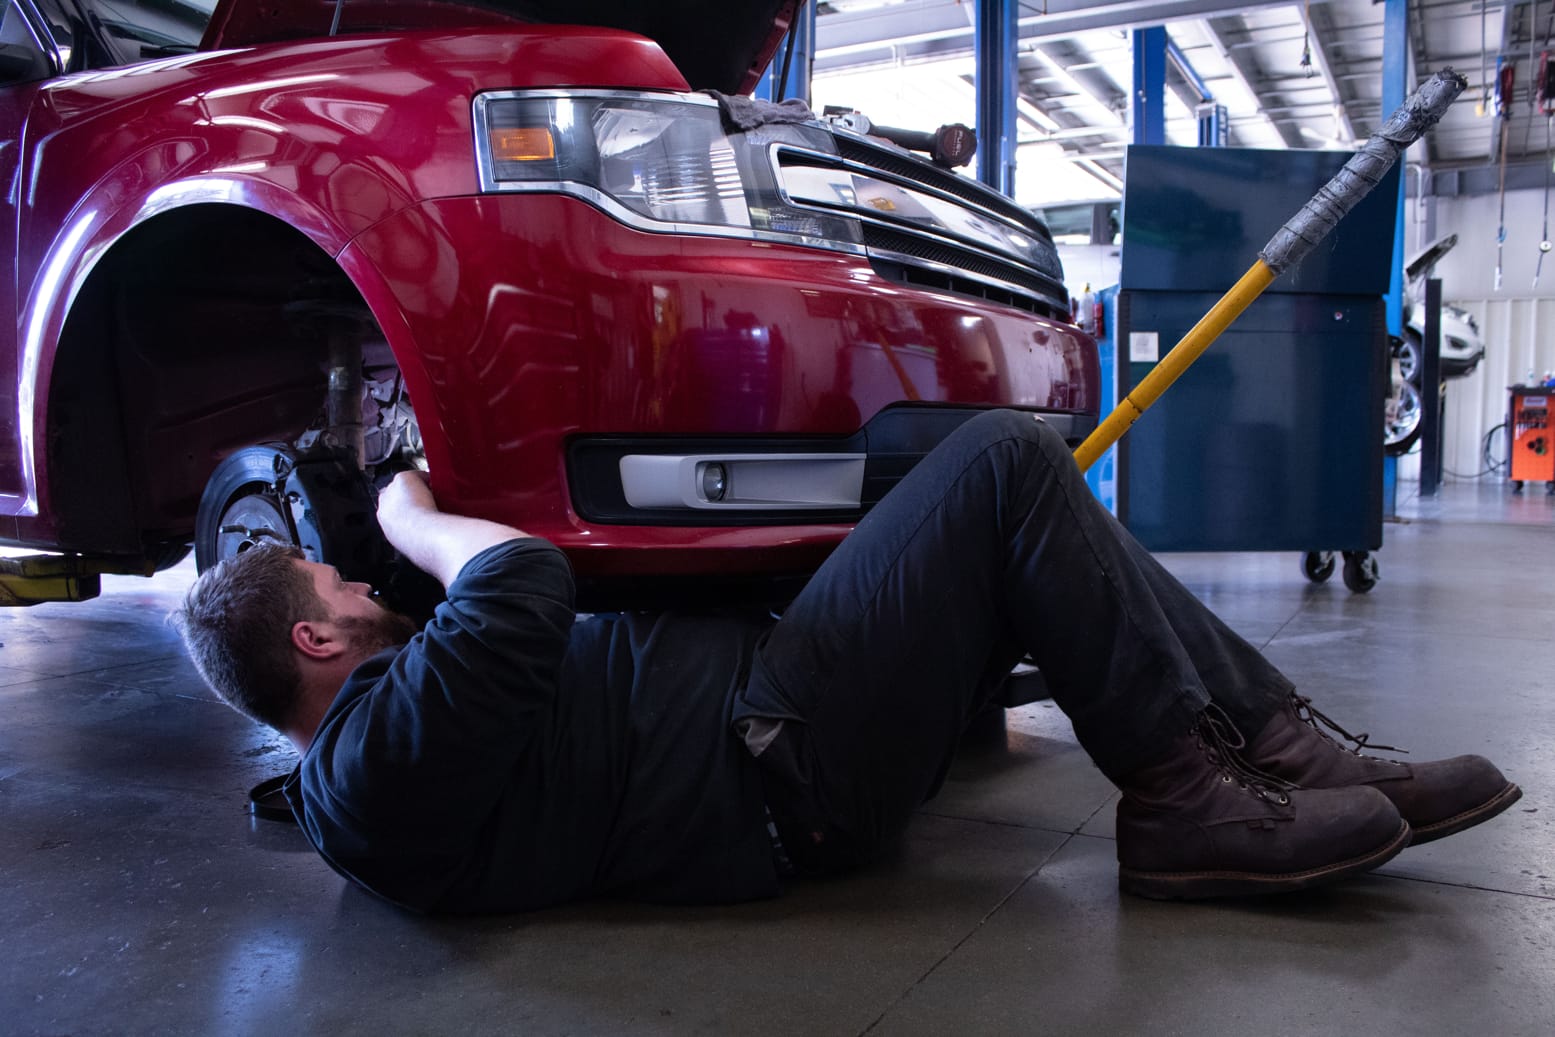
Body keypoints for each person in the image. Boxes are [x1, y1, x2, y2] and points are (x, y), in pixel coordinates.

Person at [174, 411, 1520, 912]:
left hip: (785, 720)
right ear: (313, 636)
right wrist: (409, 510)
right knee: (1003, 459)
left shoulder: (369, 772)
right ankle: (1181, 802)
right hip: (788, 755)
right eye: (339, 579)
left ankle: (1275, 744)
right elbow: (525, 575)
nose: (365, 578)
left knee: (956, 460)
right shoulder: (367, 767)